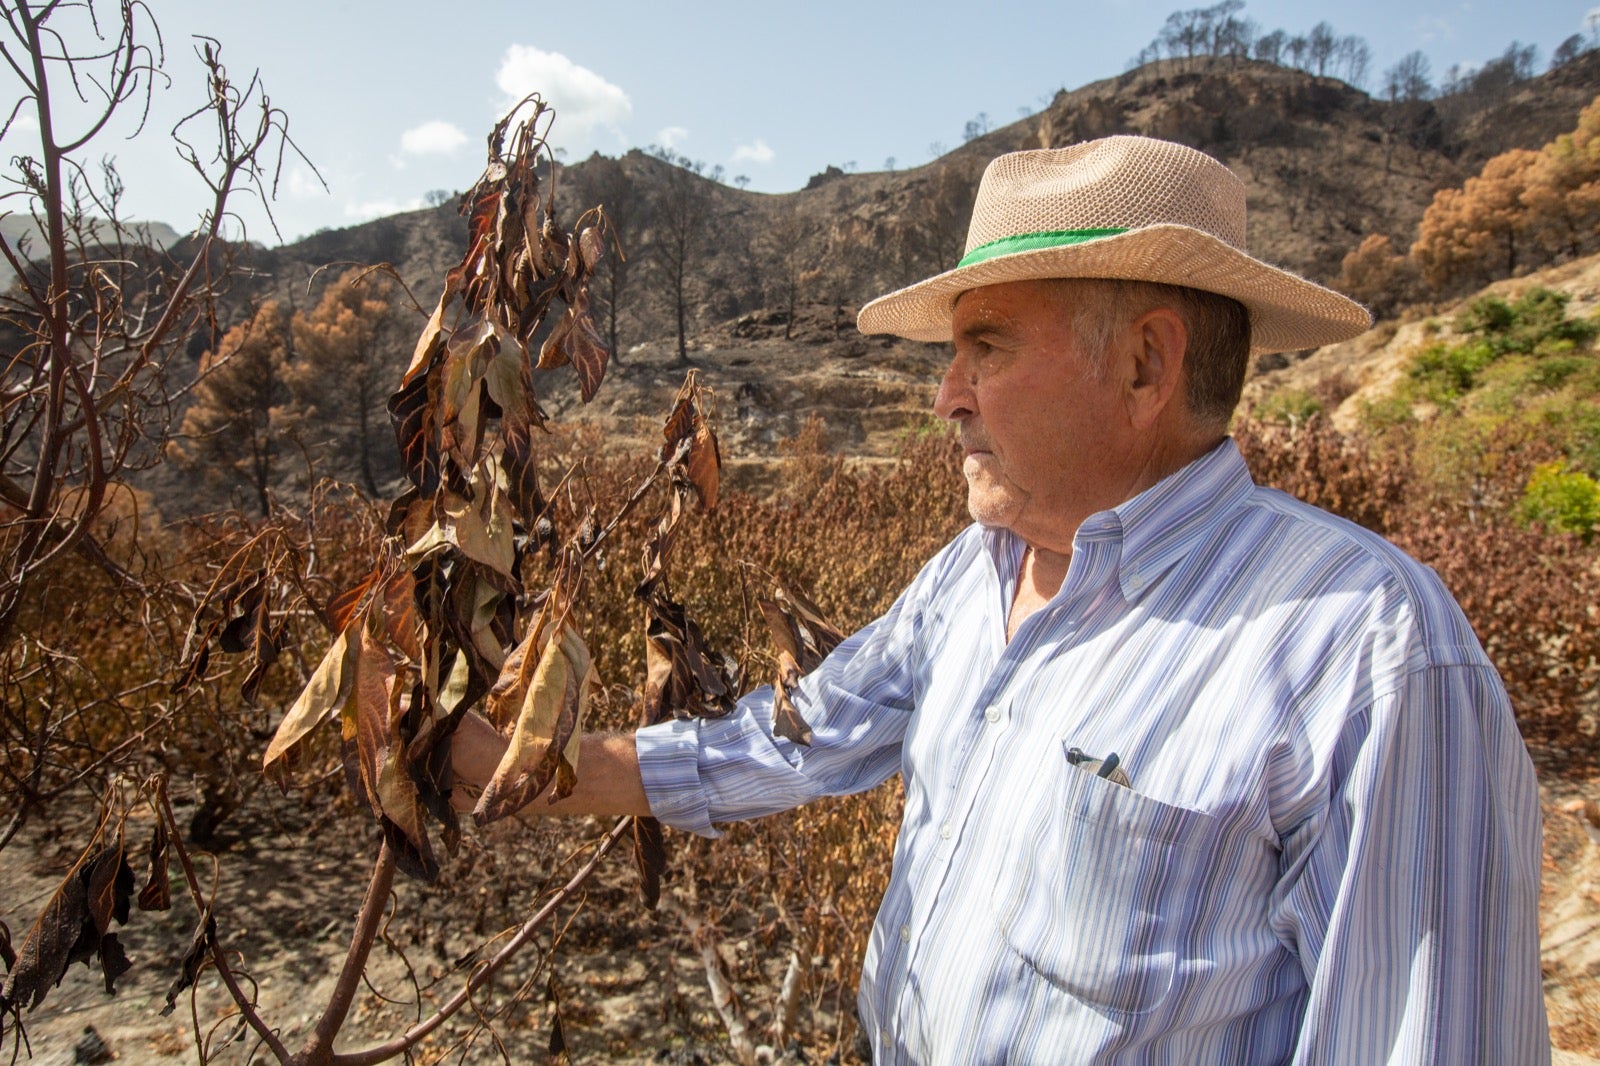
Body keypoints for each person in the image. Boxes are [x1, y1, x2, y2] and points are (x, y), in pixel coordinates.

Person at [454, 135, 1549, 1063]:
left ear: (1145, 364)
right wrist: (513, 766)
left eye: (984, 347)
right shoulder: (971, 575)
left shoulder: (1368, 653)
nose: (945, 396)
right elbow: (795, 739)